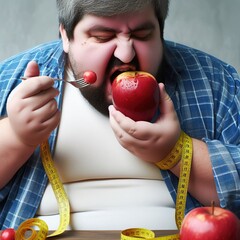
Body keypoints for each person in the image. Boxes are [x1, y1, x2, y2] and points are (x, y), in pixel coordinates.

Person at [0, 0, 239, 231]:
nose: (126, 55)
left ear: (161, 31)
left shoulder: (216, 82)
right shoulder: (12, 79)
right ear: (65, 35)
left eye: (143, 35)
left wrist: (175, 153)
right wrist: (16, 136)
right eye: (102, 37)